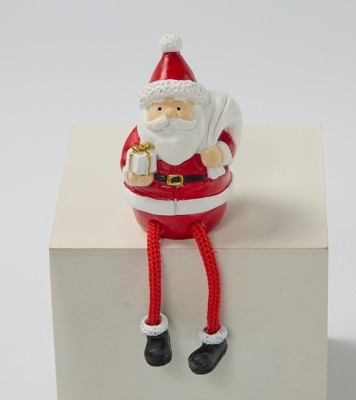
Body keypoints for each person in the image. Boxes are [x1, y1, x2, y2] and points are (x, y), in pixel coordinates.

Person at [120, 33, 242, 374]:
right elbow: (125, 162)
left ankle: (214, 336)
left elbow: (229, 141)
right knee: (153, 262)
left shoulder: (205, 136)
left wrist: (220, 154)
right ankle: (155, 331)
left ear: (196, 109)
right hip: (153, 215)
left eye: (178, 108)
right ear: (148, 111)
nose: (169, 117)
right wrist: (134, 174)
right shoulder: (141, 140)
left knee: (209, 268)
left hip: (203, 213)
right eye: (160, 109)